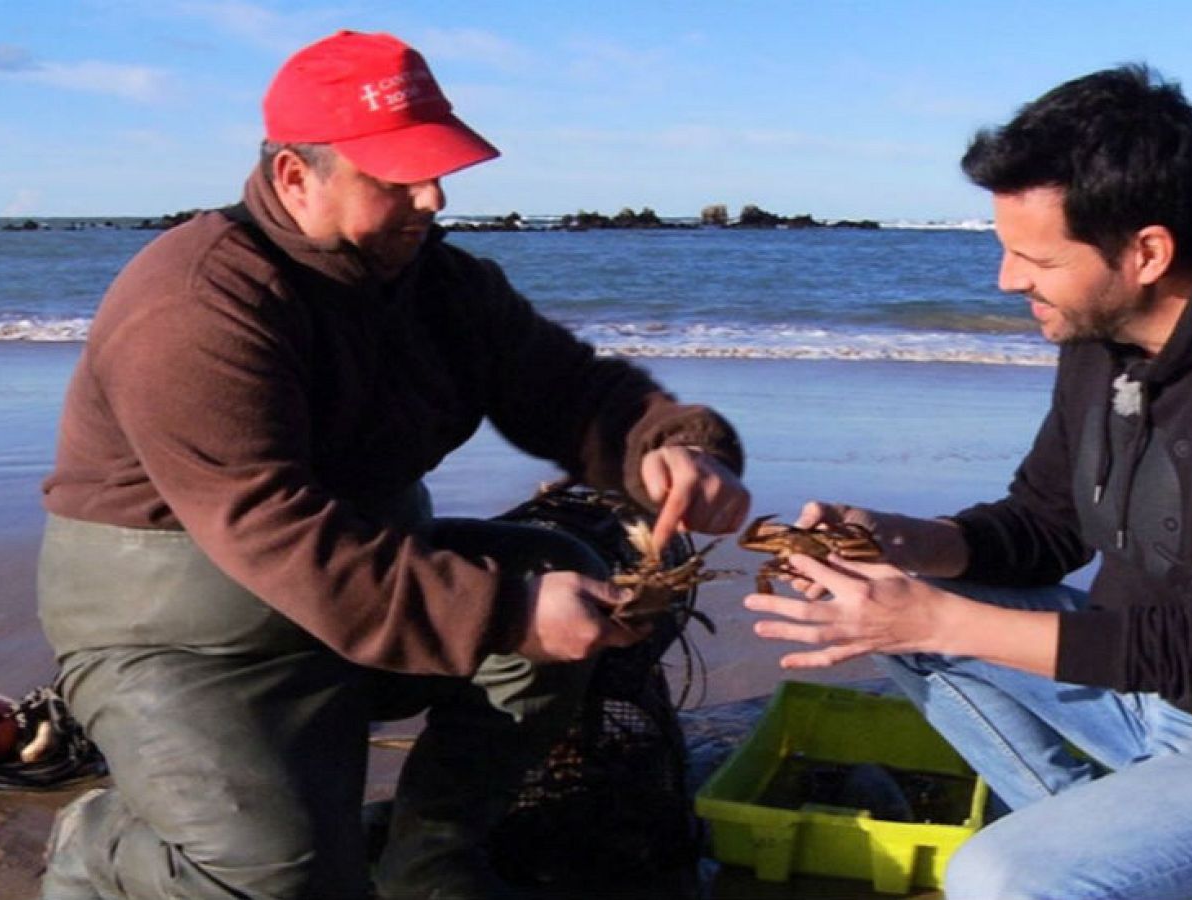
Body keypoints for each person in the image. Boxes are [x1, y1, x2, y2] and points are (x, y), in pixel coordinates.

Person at [36, 30, 749, 900]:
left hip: (363, 583)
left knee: (563, 565)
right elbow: (276, 531)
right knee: (279, 879)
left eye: (438, 168)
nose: (433, 196)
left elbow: (570, 392)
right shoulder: (195, 305)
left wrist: (668, 445)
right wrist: (503, 612)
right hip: (184, 632)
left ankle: (433, 857)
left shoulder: (440, 282)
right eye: (396, 176)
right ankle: (100, 839)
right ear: (296, 177)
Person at [746, 64, 1192, 900]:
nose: (1007, 280)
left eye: (1033, 256)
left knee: (998, 876)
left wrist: (938, 614)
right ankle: (1177, 864)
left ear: (1147, 252)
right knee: (896, 605)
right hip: (1155, 693)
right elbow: (1046, 522)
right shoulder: (1101, 335)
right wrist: (912, 543)